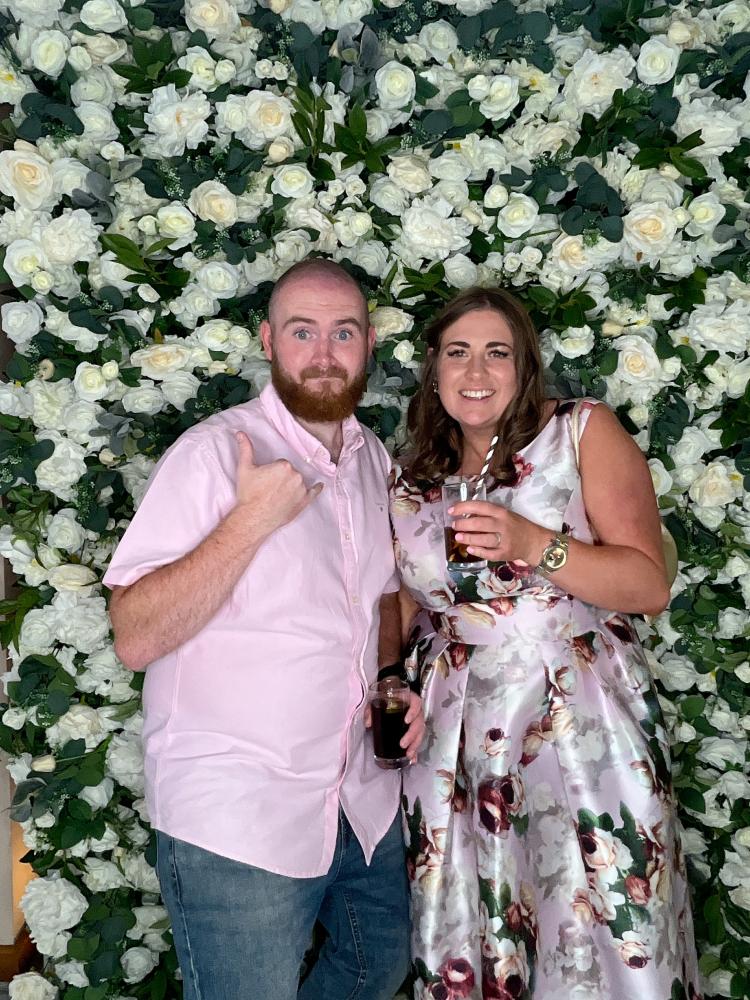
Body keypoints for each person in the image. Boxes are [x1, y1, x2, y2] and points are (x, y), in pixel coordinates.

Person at [104, 259, 424, 1000]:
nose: (324, 354)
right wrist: (251, 519)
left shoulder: (372, 458)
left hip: (357, 799)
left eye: (343, 333)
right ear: (268, 341)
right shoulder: (215, 453)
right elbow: (135, 635)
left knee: (381, 964)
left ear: (369, 343)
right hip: (240, 811)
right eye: (302, 332)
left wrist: (390, 677)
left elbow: (383, 597)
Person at [389, 288, 700, 1000]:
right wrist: (392, 678)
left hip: (578, 719)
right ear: (433, 369)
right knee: (477, 922)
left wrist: (535, 544)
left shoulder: (580, 431)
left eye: (497, 353)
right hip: (455, 736)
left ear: (525, 366)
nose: (476, 371)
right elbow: (403, 596)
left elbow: (647, 585)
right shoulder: (410, 476)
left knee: (601, 919)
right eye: (458, 352)